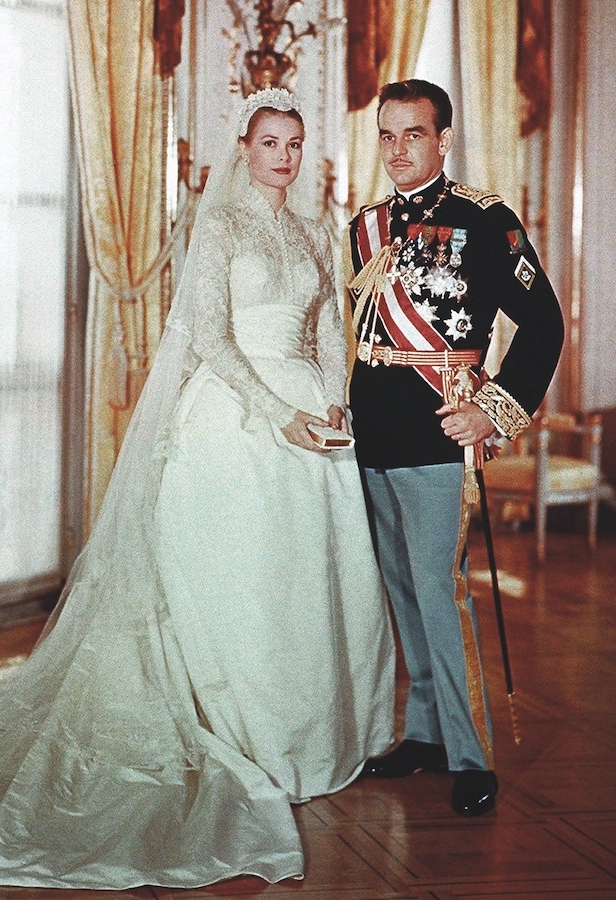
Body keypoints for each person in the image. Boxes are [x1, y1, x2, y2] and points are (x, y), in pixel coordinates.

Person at [0, 88, 395, 889]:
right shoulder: (223, 227)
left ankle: (313, 738)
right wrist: (279, 414)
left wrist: (332, 399)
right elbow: (211, 336)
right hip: (239, 419)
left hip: (313, 419)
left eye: (294, 144)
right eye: (270, 142)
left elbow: (328, 333)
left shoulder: (314, 233)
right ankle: (243, 738)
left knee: (308, 580)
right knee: (242, 579)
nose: (283, 156)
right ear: (244, 148)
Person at [346, 79, 564, 816]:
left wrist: (494, 413)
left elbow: (544, 327)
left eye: (413, 134)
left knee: (441, 592)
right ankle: (428, 734)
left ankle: (471, 755)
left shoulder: (484, 220)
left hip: (438, 429)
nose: (398, 150)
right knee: (403, 590)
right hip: (371, 426)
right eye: (386, 135)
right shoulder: (365, 227)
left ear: (443, 139)